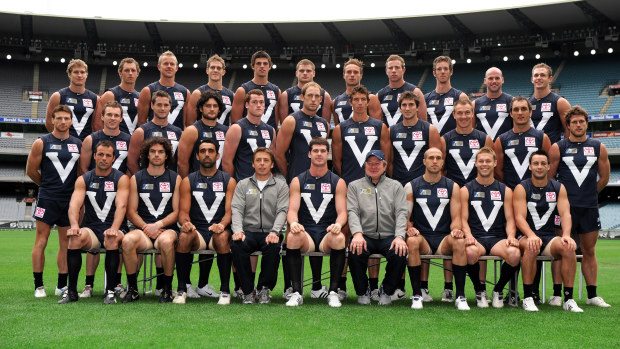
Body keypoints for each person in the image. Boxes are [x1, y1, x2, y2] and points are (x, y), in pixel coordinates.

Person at [549, 106, 610, 307]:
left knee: (589, 250)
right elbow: (550, 178)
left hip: (589, 208)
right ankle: (558, 294)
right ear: (568, 125)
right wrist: (563, 199)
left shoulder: (598, 147)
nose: (578, 125)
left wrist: (590, 195)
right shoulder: (559, 147)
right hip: (564, 208)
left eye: (581, 121)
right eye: (574, 122)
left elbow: (604, 178)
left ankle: (592, 295)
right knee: (561, 250)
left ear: (586, 123)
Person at [275, 81, 329, 298]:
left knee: (316, 230)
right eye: (310, 96)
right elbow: (279, 153)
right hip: (297, 185)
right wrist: (291, 177)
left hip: (319, 185)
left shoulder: (324, 123)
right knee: (293, 232)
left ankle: (316, 287)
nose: (314, 100)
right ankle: (290, 286)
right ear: (302, 98)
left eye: (318, 97)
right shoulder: (291, 120)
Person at [58, 140, 129, 304]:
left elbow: (122, 206)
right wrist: (75, 225)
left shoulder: (121, 178)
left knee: (111, 239)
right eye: (101, 154)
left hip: (116, 227)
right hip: (92, 229)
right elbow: (74, 205)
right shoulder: (84, 179)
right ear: (95, 156)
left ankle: (110, 291)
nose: (104, 158)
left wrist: (114, 228)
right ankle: (72, 291)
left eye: (108, 155)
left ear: (113, 158)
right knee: (75, 238)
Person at [514, 149, 583, 312]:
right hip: (524, 236)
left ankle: (568, 298)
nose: (539, 167)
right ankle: (528, 297)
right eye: (536, 163)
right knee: (532, 247)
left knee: (568, 247)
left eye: (543, 163)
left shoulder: (558, 187)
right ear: (530, 166)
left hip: (548, 237)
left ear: (549, 166)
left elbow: (566, 214)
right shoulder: (522, 187)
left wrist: (566, 235)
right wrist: (530, 235)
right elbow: (519, 218)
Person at [27, 105, 82, 298]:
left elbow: (82, 172)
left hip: (69, 201)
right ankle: (39, 286)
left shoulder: (78, 143)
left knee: (66, 244)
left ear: (71, 120)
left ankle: (61, 285)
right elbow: (31, 171)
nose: (63, 122)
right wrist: (47, 186)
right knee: (41, 241)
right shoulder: (41, 142)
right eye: (59, 118)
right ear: (52, 120)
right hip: (47, 200)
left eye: (66, 118)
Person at [285, 137, 347, 307]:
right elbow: (292, 210)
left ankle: (333, 292)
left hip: (327, 232)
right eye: (315, 151)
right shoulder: (298, 180)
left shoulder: (338, 182)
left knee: (339, 238)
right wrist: (294, 223)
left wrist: (338, 225)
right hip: (307, 234)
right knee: (292, 236)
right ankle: (296, 292)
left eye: (322, 151)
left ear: (328, 154)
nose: (319, 154)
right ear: (309, 154)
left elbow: (342, 212)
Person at [77, 101, 131, 298]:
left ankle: (115, 283)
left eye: (116, 115)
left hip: (119, 190)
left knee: (114, 239)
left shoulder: (129, 139)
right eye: (109, 114)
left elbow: (132, 165)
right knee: (93, 245)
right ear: (102, 116)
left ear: (121, 118)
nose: (113, 118)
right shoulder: (91, 139)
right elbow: (83, 169)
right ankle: (88, 285)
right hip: (94, 191)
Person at [405, 147, 469, 310]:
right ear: (424, 161)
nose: (435, 161)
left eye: (438, 158)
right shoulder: (412, 186)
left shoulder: (452, 186)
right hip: (423, 239)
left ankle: (460, 296)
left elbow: (456, 218)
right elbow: (405, 218)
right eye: (431, 158)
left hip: (443, 239)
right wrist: (409, 228)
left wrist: (456, 229)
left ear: (442, 162)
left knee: (460, 242)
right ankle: (417, 294)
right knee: (411, 241)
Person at [173, 139, 236, 305]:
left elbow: (230, 212)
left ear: (217, 155)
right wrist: (186, 223)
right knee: (185, 236)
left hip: (219, 229)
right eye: (202, 151)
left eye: (210, 151)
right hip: (198, 231)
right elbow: (183, 213)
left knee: (222, 237)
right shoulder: (188, 180)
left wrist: (222, 225)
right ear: (197, 156)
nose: (206, 154)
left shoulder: (228, 180)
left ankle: (224, 290)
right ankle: (181, 289)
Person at [122, 138, 181, 303]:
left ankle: (166, 289)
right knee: (127, 241)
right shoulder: (136, 178)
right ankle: (132, 289)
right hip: (143, 230)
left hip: (166, 229)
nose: (156, 155)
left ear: (166, 155)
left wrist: (158, 225)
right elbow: (131, 211)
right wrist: (146, 227)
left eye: (161, 152)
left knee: (167, 242)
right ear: (147, 155)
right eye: (153, 151)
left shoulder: (175, 178)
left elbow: (177, 211)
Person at [460, 147, 521, 308]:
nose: (484, 164)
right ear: (476, 164)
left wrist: (511, 237)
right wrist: (468, 235)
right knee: (470, 252)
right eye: (481, 161)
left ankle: (498, 290)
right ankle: (480, 291)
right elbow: (463, 219)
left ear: (495, 163)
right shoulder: (466, 190)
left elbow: (509, 219)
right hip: (477, 238)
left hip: (497, 239)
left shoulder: (505, 190)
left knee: (514, 254)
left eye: (488, 161)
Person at [347, 150, 408, 306]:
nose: (373, 166)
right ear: (365, 165)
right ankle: (362, 291)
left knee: (400, 252)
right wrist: (357, 234)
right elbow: (352, 211)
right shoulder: (354, 186)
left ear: (384, 166)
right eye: (370, 163)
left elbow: (402, 212)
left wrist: (400, 236)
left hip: (389, 235)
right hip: (365, 235)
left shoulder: (395, 186)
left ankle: (386, 291)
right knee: (355, 249)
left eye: (377, 163)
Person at [230, 148, 289, 304]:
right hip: (247, 231)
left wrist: (275, 232)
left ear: (272, 164)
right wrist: (238, 231)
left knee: (273, 246)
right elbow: (236, 209)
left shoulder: (281, 186)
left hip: (270, 231)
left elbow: (282, 211)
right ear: (252, 164)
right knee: (237, 245)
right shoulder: (243, 184)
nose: (262, 164)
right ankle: (247, 290)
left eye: (266, 160)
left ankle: (264, 288)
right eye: (258, 160)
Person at [495, 96, 551, 190]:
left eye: (523, 109)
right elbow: (497, 170)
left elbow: (549, 168)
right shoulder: (501, 140)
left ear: (530, 112)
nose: (520, 113)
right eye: (516, 109)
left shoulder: (542, 138)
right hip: (510, 194)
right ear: (511, 114)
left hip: (536, 193)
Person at [222, 89, 277, 181]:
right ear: (247, 105)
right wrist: (233, 184)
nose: (259, 105)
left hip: (265, 184)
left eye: (261, 102)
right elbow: (227, 162)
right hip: (243, 183)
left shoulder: (271, 130)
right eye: (254, 102)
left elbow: (271, 160)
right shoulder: (237, 128)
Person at [389, 91, 440, 185]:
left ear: (417, 108)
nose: (407, 108)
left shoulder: (430, 130)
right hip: (398, 184)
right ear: (400, 108)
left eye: (411, 105)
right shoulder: (391, 131)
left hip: (423, 185)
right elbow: (390, 162)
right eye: (404, 105)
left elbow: (437, 161)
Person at [127, 90, 183, 175]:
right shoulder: (141, 132)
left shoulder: (178, 132)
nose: (162, 108)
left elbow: (182, 162)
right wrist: (142, 179)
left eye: (166, 105)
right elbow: (131, 163)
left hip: (171, 184)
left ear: (170, 106)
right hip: (146, 185)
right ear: (152, 106)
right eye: (159, 105)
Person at [442, 97, 493, 187]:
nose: (464, 116)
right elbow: (442, 169)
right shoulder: (445, 140)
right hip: (453, 192)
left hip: (478, 192)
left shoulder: (485, 139)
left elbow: (491, 169)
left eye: (467, 112)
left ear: (473, 114)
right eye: (459, 113)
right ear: (454, 115)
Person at [45, 59, 100, 141]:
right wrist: (60, 139)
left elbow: (96, 125)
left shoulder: (95, 99)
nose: (79, 75)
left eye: (82, 72)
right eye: (76, 72)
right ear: (69, 74)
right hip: (64, 144)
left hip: (85, 145)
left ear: (86, 75)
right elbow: (49, 122)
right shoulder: (58, 96)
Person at [178, 90, 229, 178]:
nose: (212, 109)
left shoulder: (227, 131)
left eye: (215, 106)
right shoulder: (192, 130)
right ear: (201, 108)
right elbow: (182, 163)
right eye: (208, 106)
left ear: (219, 109)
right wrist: (188, 183)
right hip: (197, 182)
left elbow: (228, 161)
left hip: (220, 182)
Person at [137, 50, 190, 129]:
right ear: (159, 67)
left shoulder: (185, 92)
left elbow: (185, 124)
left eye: (172, 64)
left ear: (176, 68)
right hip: (155, 139)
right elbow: (141, 122)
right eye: (165, 63)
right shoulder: (148, 91)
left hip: (176, 140)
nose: (169, 66)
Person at [230, 51, 281, 129]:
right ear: (253, 66)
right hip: (248, 136)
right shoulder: (243, 90)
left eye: (265, 63)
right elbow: (235, 122)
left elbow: (276, 120)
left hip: (269, 137)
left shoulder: (276, 91)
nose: (262, 66)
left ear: (270, 66)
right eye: (258, 63)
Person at [376, 54, 427, 126]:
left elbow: (423, 123)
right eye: (390, 68)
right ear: (386, 71)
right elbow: (378, 124)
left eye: (397, 67)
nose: (393, 70)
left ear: (403, 70)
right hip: (387, 136)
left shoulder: (415, 92)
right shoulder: (380, 95)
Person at [278, 59, 332, 124]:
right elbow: (284, 125)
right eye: (301, 71)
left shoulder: (325, 95)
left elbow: (325, 126)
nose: (305, 73)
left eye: (308, 71)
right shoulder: (286, 95)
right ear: (296, 73)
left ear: (314, 73)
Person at [186, 54, 234, 127]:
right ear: (207, 70)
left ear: (223, 72)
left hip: (224, 137)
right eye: (212, 67)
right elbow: (189, 123)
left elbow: (235, 123)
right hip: (203, 137)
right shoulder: (198, 94)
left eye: (218, 68)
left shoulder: (231, 95)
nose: (215, 70)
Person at [424, 56, 467, 136]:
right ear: (434, 73)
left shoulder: (460, 96)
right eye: (439, 69)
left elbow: (468, 126)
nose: (442, 72)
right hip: (431, 145)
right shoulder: (425, 98)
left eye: (445, 69)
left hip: (453, 145)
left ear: (451, 72)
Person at [528, 63, 571, 144]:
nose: (539, 78)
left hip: (551, 152)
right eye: (536, 75)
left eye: (543, 75)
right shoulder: (527, 103)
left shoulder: (560, 102)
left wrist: (561, 150)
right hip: (530, 152)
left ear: (550, 79)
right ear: (532, 79)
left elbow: (569, 130)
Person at [331, 59, 381, 125]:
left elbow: (377, 127)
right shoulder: (335, 102)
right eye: (349, 72)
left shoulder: (371, 99)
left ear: (361, 75)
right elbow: (337, 128)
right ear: (344, 75)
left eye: (355, 72)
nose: (352, 75)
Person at [99, 57, 141, 135]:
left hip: (134, 142)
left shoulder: (140, 97)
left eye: (133, 70)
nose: (130, 73)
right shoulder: (110, 95)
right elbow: (99, 123)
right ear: (120, 73)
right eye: (127, 70)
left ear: (137, 73)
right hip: (114, 142)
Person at [473, 67, 514, 141]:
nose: (494, 81)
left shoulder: (512, 101)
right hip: (483, 151)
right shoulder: (475, 104)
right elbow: (471, 131)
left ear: (502, 80)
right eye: (490, 78)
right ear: (485, 81)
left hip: (506, 150)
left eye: (497, 78)